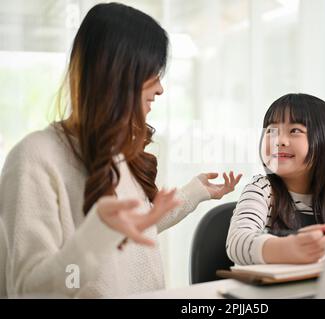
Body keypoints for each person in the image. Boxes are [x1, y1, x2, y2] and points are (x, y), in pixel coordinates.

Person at [0, 3, 241, 298]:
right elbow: (29, 291)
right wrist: (95, 238)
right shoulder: (34, 159)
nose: (161, 89)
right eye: (152, 73)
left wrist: (194, 192)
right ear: (117, 74)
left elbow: (133, 231)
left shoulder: (116, 156)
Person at [226, 93, 325, 265]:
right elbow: (237, 242)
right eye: (271, 131)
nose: (279, 141)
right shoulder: (262, 189)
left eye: (295, 130)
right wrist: (287, 248)